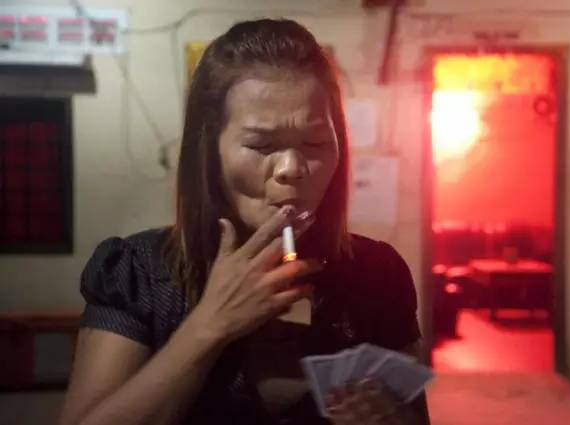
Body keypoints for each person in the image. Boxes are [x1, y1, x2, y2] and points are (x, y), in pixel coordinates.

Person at [59, 18, 430, 425]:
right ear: (209, 150)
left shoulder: (377, 275)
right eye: (261, 145)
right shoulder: (141, 273)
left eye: (315, 142)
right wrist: (210, 325)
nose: (291, 168)